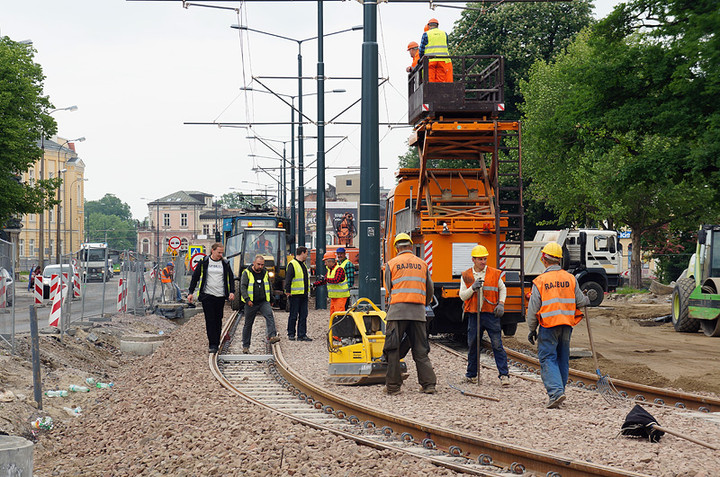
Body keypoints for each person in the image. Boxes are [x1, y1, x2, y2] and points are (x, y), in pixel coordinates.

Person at [526, 242, 590, 408]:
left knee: (548, 357)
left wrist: (532, 329)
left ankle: (555, 393)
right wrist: (588, 298)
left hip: (548, 325)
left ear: (543, 259)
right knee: (562, 358)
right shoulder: (571, 278)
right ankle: (560, 390)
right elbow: (581, 301)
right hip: (567, 325)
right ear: (560, 260)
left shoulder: (540, 281)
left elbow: (533, 309)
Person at [382, 233, 437, 395]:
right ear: (411, 246)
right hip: (418, 313)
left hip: (397, 312)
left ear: (397, 247)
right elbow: (430, 289)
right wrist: (423, 304)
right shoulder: (422, 264)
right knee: (420, 349)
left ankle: (393, 387)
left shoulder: (391, 264)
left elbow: (389, 289)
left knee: (393, 349)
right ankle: (429, 385)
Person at [459, 245, 510, 386]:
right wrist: (472, 288)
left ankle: (504, 375)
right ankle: (471, 375)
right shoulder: (466, 275)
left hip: (490, 314)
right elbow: (462, 296)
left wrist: (501, 303)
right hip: (474, 315)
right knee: (473, 345)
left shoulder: (494, 274)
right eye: (480, 259)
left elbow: (502, 288)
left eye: (485, 259)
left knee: (497, 345)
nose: (483, 261)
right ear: (473, 260)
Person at [188, 243, 235, 354]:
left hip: (220, 295)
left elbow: (231, 278)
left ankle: (216, 341)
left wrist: (232, 292)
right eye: (218, 252)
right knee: (210, 320)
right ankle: (212, 344)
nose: (220, 254)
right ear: (212, 251)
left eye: (221, 252)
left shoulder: (225, 263)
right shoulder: (204, 262)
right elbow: (195, 277)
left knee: (218, 319)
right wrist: (190, 292)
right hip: (207, 295)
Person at [240, 254, 281, 353]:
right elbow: (243, 287)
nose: (260, 267)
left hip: (263, 301)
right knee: (248, 324)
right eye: (258, 264)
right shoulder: (247, 273)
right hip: (251, 303)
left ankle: (272, 336)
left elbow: (268, 286)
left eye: (262, 265)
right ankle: (246, 346)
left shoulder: (265, 273)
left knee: (269, 315)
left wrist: (271, 300)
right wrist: (247, 299)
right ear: (254, 263)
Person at [285, 246, 310, 341]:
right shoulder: (293, 264)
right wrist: (287, 291)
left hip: (303, 294)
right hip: (295, 295)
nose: (307, 255)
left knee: (303, 315)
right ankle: (291, 333)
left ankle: (302, 334)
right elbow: (288, 278)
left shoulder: (303, 265)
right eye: (306, 253)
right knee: (293, 315)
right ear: (302, 253)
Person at [313, 252, 348, 317]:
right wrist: (314, 284)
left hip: (340, 297)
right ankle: (333, 327)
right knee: (333, 315)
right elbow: (325, 280)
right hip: (334, 297)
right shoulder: (330, 270)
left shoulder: (339, 269)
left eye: (326, 262)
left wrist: (325, 279)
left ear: (331, 262)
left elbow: (336, 280)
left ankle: (339, 327)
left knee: (339, 315)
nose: (325, 264)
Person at [419, 18, 453, 83]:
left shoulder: (426, 34)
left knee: (430, 81)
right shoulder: (444, 33)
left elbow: (421, 50)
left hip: (430, 61)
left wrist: (421, 59)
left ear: (428, 26)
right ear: (437, 25)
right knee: (440, 81)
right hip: (443, 61)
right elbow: (447, 45)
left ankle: (431, 92)